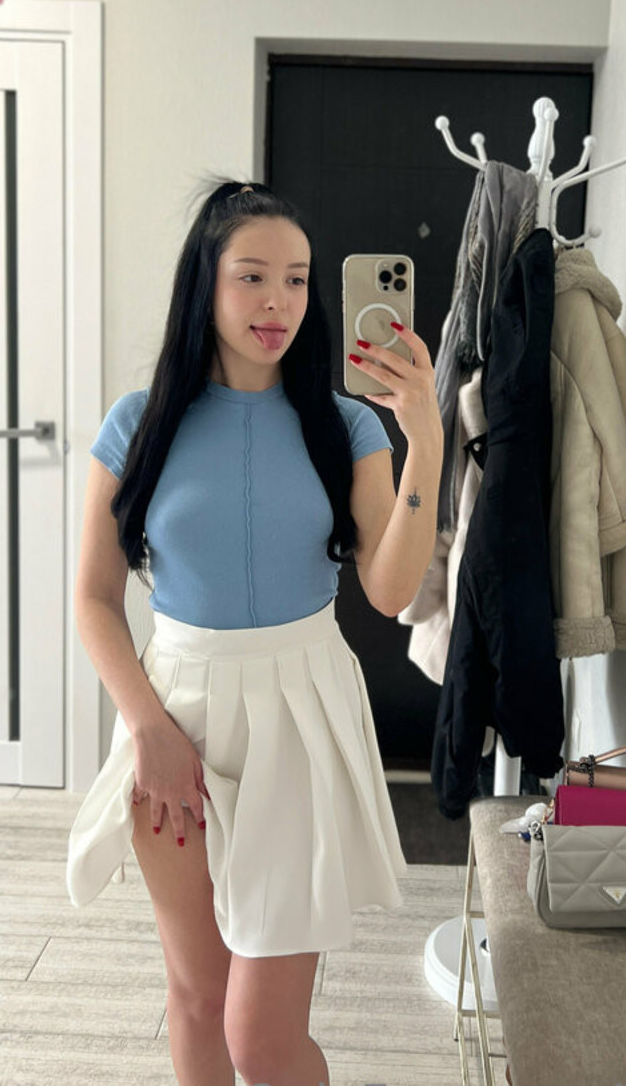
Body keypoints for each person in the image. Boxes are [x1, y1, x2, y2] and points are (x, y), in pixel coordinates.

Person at [65, 178, 443, 1086]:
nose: (279, 301)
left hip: (298, 714)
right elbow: (94, 597)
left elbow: (391, 591)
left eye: (298, 279)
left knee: (262, 1037)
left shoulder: (346, 425)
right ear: (206, 281)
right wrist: (149, 728)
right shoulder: (138, 422)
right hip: (173, 709)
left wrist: (425, 439)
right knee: (197, 997)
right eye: (253, 276)